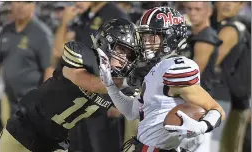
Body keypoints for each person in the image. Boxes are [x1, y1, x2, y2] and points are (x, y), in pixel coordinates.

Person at [0, 18, 141, 152]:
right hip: (27, 127)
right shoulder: (81, 55)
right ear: (105, 42)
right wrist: (126, 82)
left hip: (57, 140)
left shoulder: (124, 87)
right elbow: (93, 85)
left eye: (130, 56)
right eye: (121, 50)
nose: (124, 60)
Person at [98, 6, 226, 152]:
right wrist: (109, 85)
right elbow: (131, 112)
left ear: (171, 37)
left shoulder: (175, 66)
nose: (145, 41)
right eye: (144, 36)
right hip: (144, 145)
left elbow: (216, 110)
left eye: (152, 36)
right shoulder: (155, 68)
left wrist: (200, 127)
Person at [178, 2, 223, 151]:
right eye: (189, 8)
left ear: (209, 11)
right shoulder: (193, 35)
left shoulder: (205, 37)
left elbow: (192, 76)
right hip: (190, 103)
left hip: (199, 106)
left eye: (198, 9)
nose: (192, 13)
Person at [214, 2, 251, 152]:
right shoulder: (235, 27)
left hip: (232, 103)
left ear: (241, 5)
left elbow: (208, 65)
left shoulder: (231, 29)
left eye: (235, 0)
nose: (228, 3)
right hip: (233, 102)